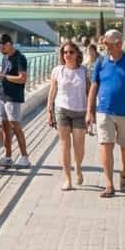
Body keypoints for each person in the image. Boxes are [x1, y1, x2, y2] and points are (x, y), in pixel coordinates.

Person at [85, 29, 125, 198]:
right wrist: (89, 111)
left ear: (119, 44)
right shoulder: (101, 62)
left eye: (108, 44)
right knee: (106, 145)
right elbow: (93, 87)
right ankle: (108, 184)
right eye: (104, 44)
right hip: (104, 111)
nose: (105, 47)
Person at [47, 40, 89, 190]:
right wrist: (49, 111)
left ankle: (78, 167)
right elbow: (52, 92)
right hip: (61, 110)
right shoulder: (57, 70)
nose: (68, 55)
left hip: (80, 112)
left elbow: (89, 92)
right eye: (65, 52)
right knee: (65, 145)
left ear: (77, 53)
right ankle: (67, 179)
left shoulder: (84, 71)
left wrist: (91, 112)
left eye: (71, 52)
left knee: (79, 146)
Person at [0, 33, 30, 167]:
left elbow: (22, 78)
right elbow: (5, 75)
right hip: (2, 96)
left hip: (13, 97)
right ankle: (8, 157)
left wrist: (3, 76)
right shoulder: (5, 57)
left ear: (8, 44)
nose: (0, 50)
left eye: (1, 47)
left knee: (16, 127)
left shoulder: (20, 58)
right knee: (5, 128)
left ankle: (25, 157)